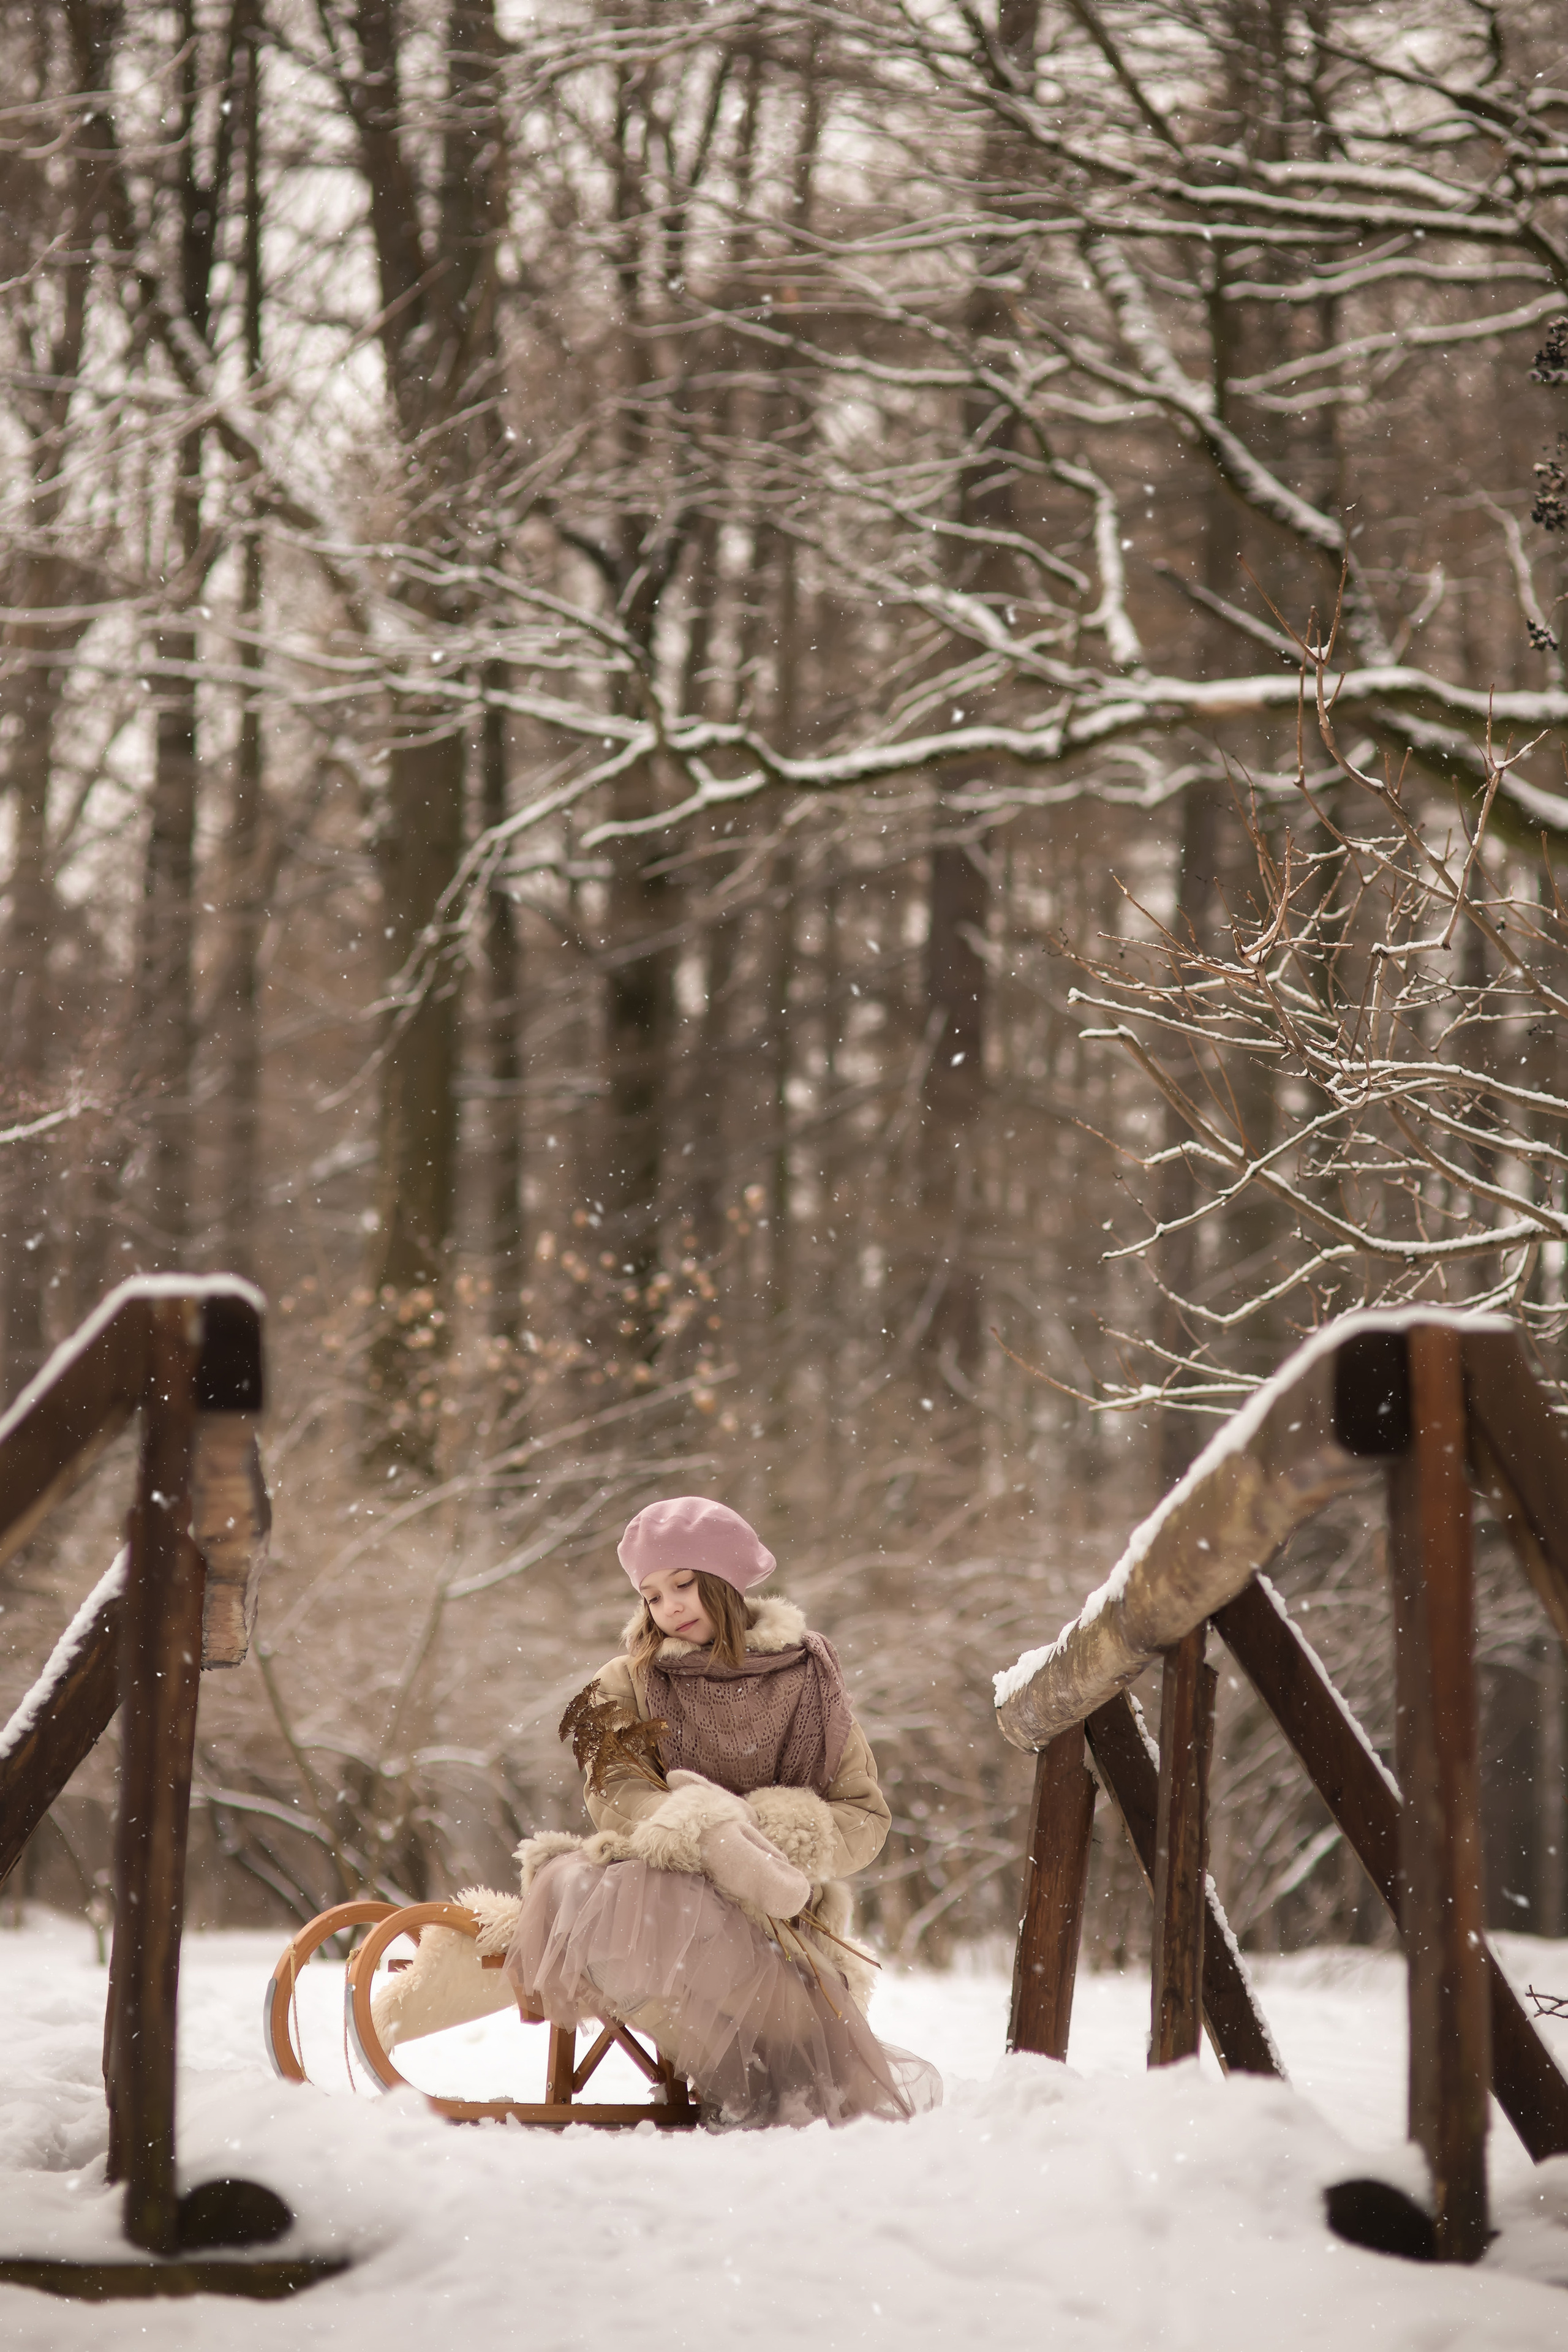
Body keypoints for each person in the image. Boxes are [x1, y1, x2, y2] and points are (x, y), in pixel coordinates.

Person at [504, 1494, 941, 2128]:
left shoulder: (809, 1679)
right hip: (662, 1881)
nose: (669, 1606)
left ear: (726, 1580)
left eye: (683, 1584)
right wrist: (699, 1828)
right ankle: (738, 2077)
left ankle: (774, 2082)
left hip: (773, 1906)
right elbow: (614, 1788)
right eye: (652, 1595)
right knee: (610, 1892)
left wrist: (763, 1833)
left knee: (786, 2001)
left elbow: (863, 1815)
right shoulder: (628, 1678)